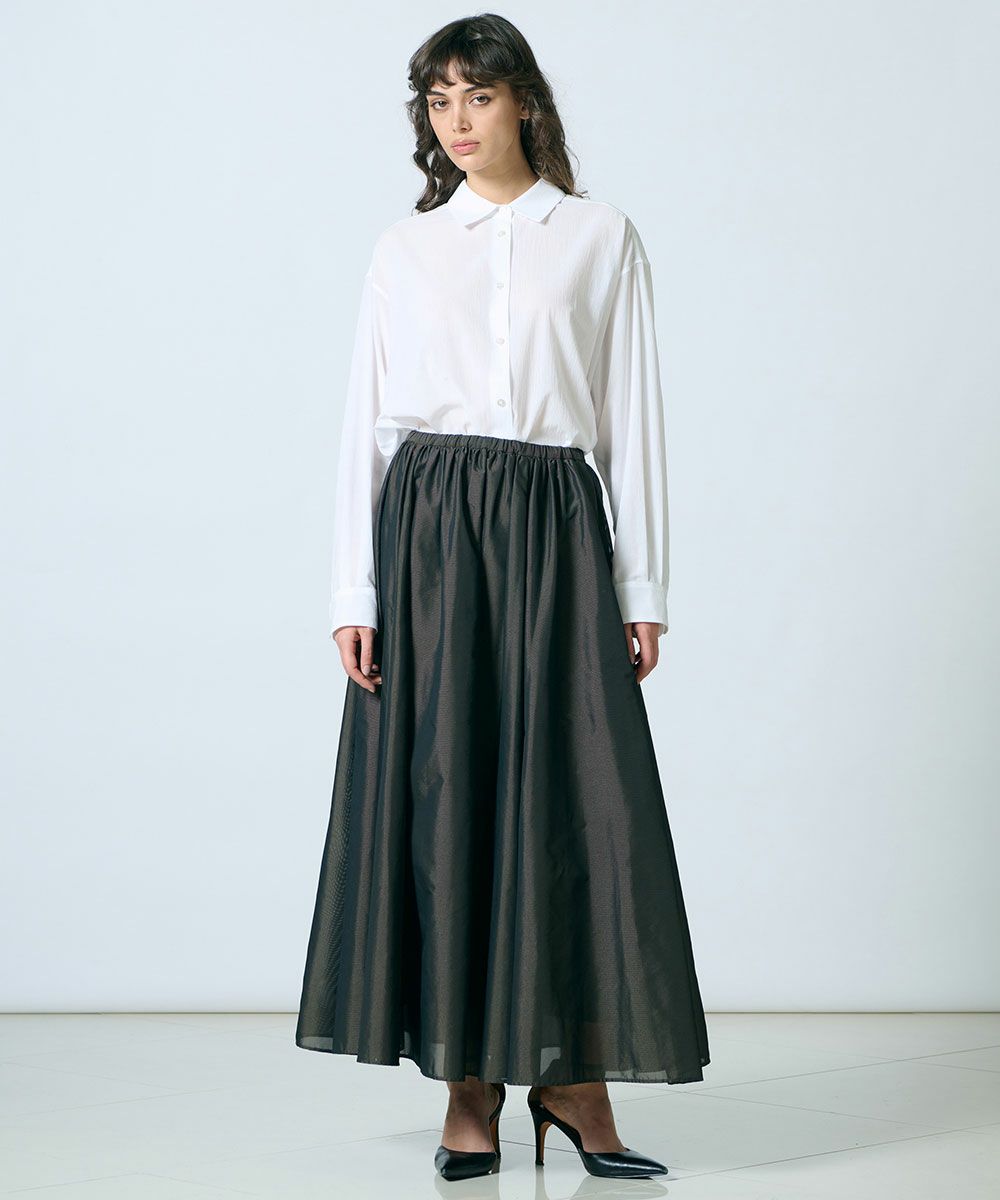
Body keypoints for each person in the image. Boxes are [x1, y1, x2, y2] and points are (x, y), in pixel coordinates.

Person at [295, 13, 710, 1182]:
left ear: (523, 100)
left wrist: (641, 584)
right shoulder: (404, 248)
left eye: (477, 95)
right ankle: (468, 1087)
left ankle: (571, 1084)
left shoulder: (599, 236)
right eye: (438, 100)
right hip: (428, 536)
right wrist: (353, 588)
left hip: (553, 531)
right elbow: (366, 425)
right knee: (445, 798)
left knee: (571, 796)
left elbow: (630, 415)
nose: (457, 120)